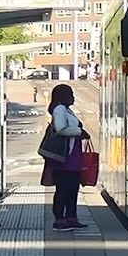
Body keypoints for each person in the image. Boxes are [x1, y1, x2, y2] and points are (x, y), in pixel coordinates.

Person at [45, 83, 88, 231]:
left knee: (72, 187)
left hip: (72, 156)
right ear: (64, 96)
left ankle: (71, 217)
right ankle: (59, 219)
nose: (73, 98)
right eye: (71, 95)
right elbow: (61, 128)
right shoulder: (60, 109)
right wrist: (79, 131)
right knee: (63, 188)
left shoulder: (66, 110)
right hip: (64, 157)